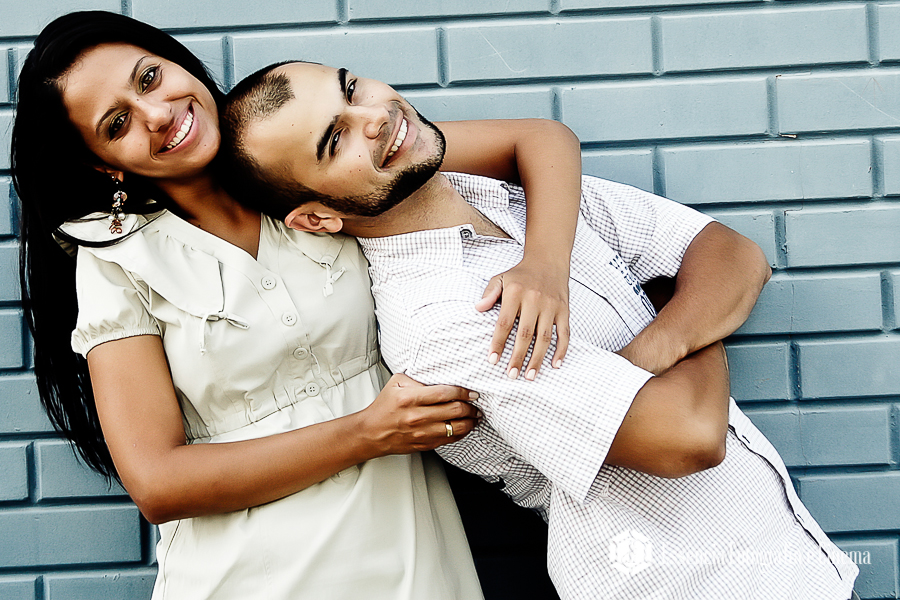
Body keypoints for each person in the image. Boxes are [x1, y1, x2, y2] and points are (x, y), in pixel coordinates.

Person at [217, 61, 861, 600]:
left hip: (798, 570)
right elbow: (687, 436)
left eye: (352, 88)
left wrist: (661, 339)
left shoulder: (512, 198)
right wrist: (681, 301)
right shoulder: (441, 320)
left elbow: (735, 256)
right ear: (317, 219)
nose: (374, 117)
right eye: (335, 140)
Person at [12, 11, 592, 600]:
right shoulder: (118, 262)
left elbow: (538, 140)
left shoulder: (298, 158)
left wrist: (544, 267)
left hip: (410, 560)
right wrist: (368, 431)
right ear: (103, 163)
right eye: (118, 124)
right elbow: (158, 483)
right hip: (247, 578)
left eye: (149, 78)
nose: (157, 114)